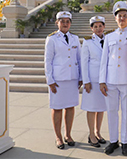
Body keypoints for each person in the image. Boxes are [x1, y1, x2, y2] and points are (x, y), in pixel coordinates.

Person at [99, 1, 127, 156]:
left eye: (124, 16)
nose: (122, 18)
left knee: (126, 111)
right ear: (115, 18)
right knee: (111, 111)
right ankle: (113, 140)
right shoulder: (109, 36)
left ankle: (125, 141)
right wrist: (102, 80)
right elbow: (104, 60)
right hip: (110, 80)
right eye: (119, 16)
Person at [44, 11, 82, 150]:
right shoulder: (52, 39)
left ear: (70, 23)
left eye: (67, 21)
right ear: (57, 23)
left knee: (70, 107)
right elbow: (48, 61)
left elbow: (79, 58)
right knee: (57, 108)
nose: (65, 24)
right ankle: (58, 137)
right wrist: (50, 80)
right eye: (62, 21)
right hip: (58, 79)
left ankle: (68, 134)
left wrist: (81, 77)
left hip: (72, 78)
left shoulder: (75, 38)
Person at [81, 15, 108, 147]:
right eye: (95, 27)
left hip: (104, 80)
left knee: (101, 108)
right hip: (92, 79)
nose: (98, 29)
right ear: (91, 28)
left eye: (100, 26)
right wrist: (86, 81)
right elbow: (84, 62)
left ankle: (98, 132)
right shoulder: (87, 42)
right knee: (91, 108)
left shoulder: (108, 39)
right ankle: (91, 134)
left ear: (104, 27)